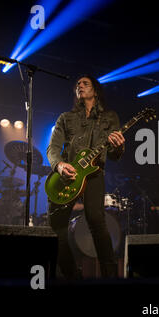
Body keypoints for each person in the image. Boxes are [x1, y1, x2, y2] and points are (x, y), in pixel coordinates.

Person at [47, 74, 125, 279]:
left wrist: (120, 146)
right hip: (67, 175)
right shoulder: (66, 118)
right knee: (56, 227)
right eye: (77, 84)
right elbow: (53, 148)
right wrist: (60, 165)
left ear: (95, 91)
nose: (79, 86)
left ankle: (109, 277)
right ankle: (71, 275)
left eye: (85, 83)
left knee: (97, 222)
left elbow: (116, 156)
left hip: (93, 174)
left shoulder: (109, 117)